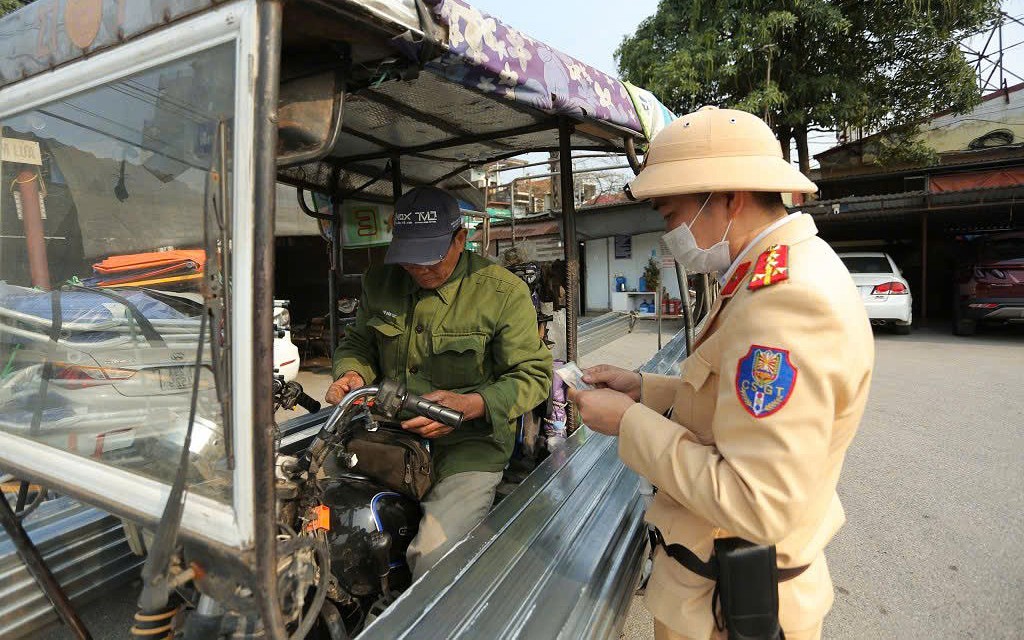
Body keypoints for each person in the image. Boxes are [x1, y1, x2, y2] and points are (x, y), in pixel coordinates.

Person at [569, 106, 874, 640]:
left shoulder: (787, 300)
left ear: (729, 197)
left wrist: (628, 423)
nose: (670, 236)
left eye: (670, 216)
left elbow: (758, 503)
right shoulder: (759, 275)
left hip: (731, 609)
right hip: (720, 590)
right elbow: (724, 396)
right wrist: (642, 389)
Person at [326, 186, 552, 579]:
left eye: (431, 258)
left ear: (460, 238)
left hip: (467, 448)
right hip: (388, 437)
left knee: (433, 558)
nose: (420, 270)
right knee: (320, 515)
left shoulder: (501, 292)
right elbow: (359, 343)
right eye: (410, 260)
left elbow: (534, 375)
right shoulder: (380, 282)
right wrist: (351, 373)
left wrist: (472, 405)